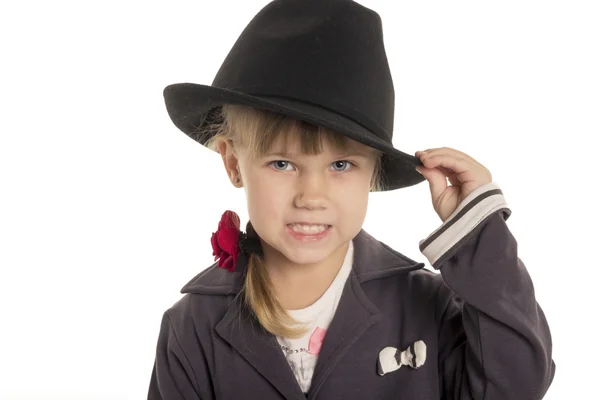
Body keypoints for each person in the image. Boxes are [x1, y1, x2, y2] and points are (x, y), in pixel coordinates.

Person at [148, 0, 556, 399]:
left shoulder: (428, 307)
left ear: (372, 174)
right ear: (234, 163)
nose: (311, 197)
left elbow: (517, 384)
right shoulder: (191, 329)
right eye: (282, 164)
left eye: (341, 165)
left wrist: (478, 234)